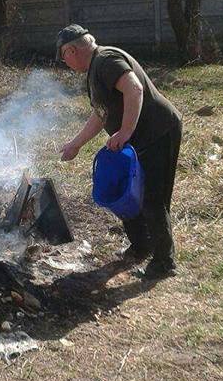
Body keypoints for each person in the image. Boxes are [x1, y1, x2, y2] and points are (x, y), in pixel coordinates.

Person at [57, 24, 182, 279]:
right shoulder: (94, 71)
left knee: (152, 199)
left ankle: (163, 263)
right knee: (128, 193)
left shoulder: (106, 60)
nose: (63, 62)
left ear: (72, 50)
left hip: (159, 132)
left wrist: (124, 132)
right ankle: (141, 246)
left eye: (63, 56)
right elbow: (101, 114)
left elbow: (134, 88)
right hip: (138, 140)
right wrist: (75, 144)